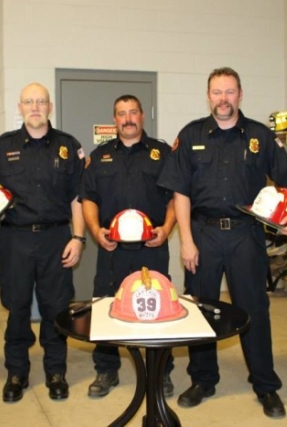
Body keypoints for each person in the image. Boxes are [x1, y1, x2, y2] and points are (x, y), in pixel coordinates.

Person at [157, 67, 287, 418]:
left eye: (229, 92)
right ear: (208, 96)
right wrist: (186, 242)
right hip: (203, 234)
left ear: (240, 94)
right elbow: (180, 193)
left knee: (254, 310)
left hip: (245, 234)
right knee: (202, 310)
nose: (223, 99)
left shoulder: (260, 136)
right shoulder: (190, 134)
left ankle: (265, 385)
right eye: (216, 92)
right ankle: (204, 379)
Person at [0, 83, 85, 402]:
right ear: (20, 107)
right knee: (16, 308)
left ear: (50, 107)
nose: (35, 107)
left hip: (57, 237)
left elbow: (78, 198)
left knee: (56, 307)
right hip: (15, 239)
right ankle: (17, 372)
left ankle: (56, 371)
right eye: (29, 101)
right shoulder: (2, 147)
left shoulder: (68, 146)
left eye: (41, 101)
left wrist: (79, 238)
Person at [80, 94, 176, 398]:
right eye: (121, 113)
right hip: (112, 251)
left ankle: (160, 373)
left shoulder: (162, 154)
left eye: (133, 112)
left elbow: (175, 197)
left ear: (142, 116)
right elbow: (89, 198)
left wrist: (167, 228)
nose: (128, 118)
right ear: (114, 120)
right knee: (106, 308)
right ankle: (106, 371)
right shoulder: (100, 156)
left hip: (152, 248)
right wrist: (96, 231)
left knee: (158, 308)